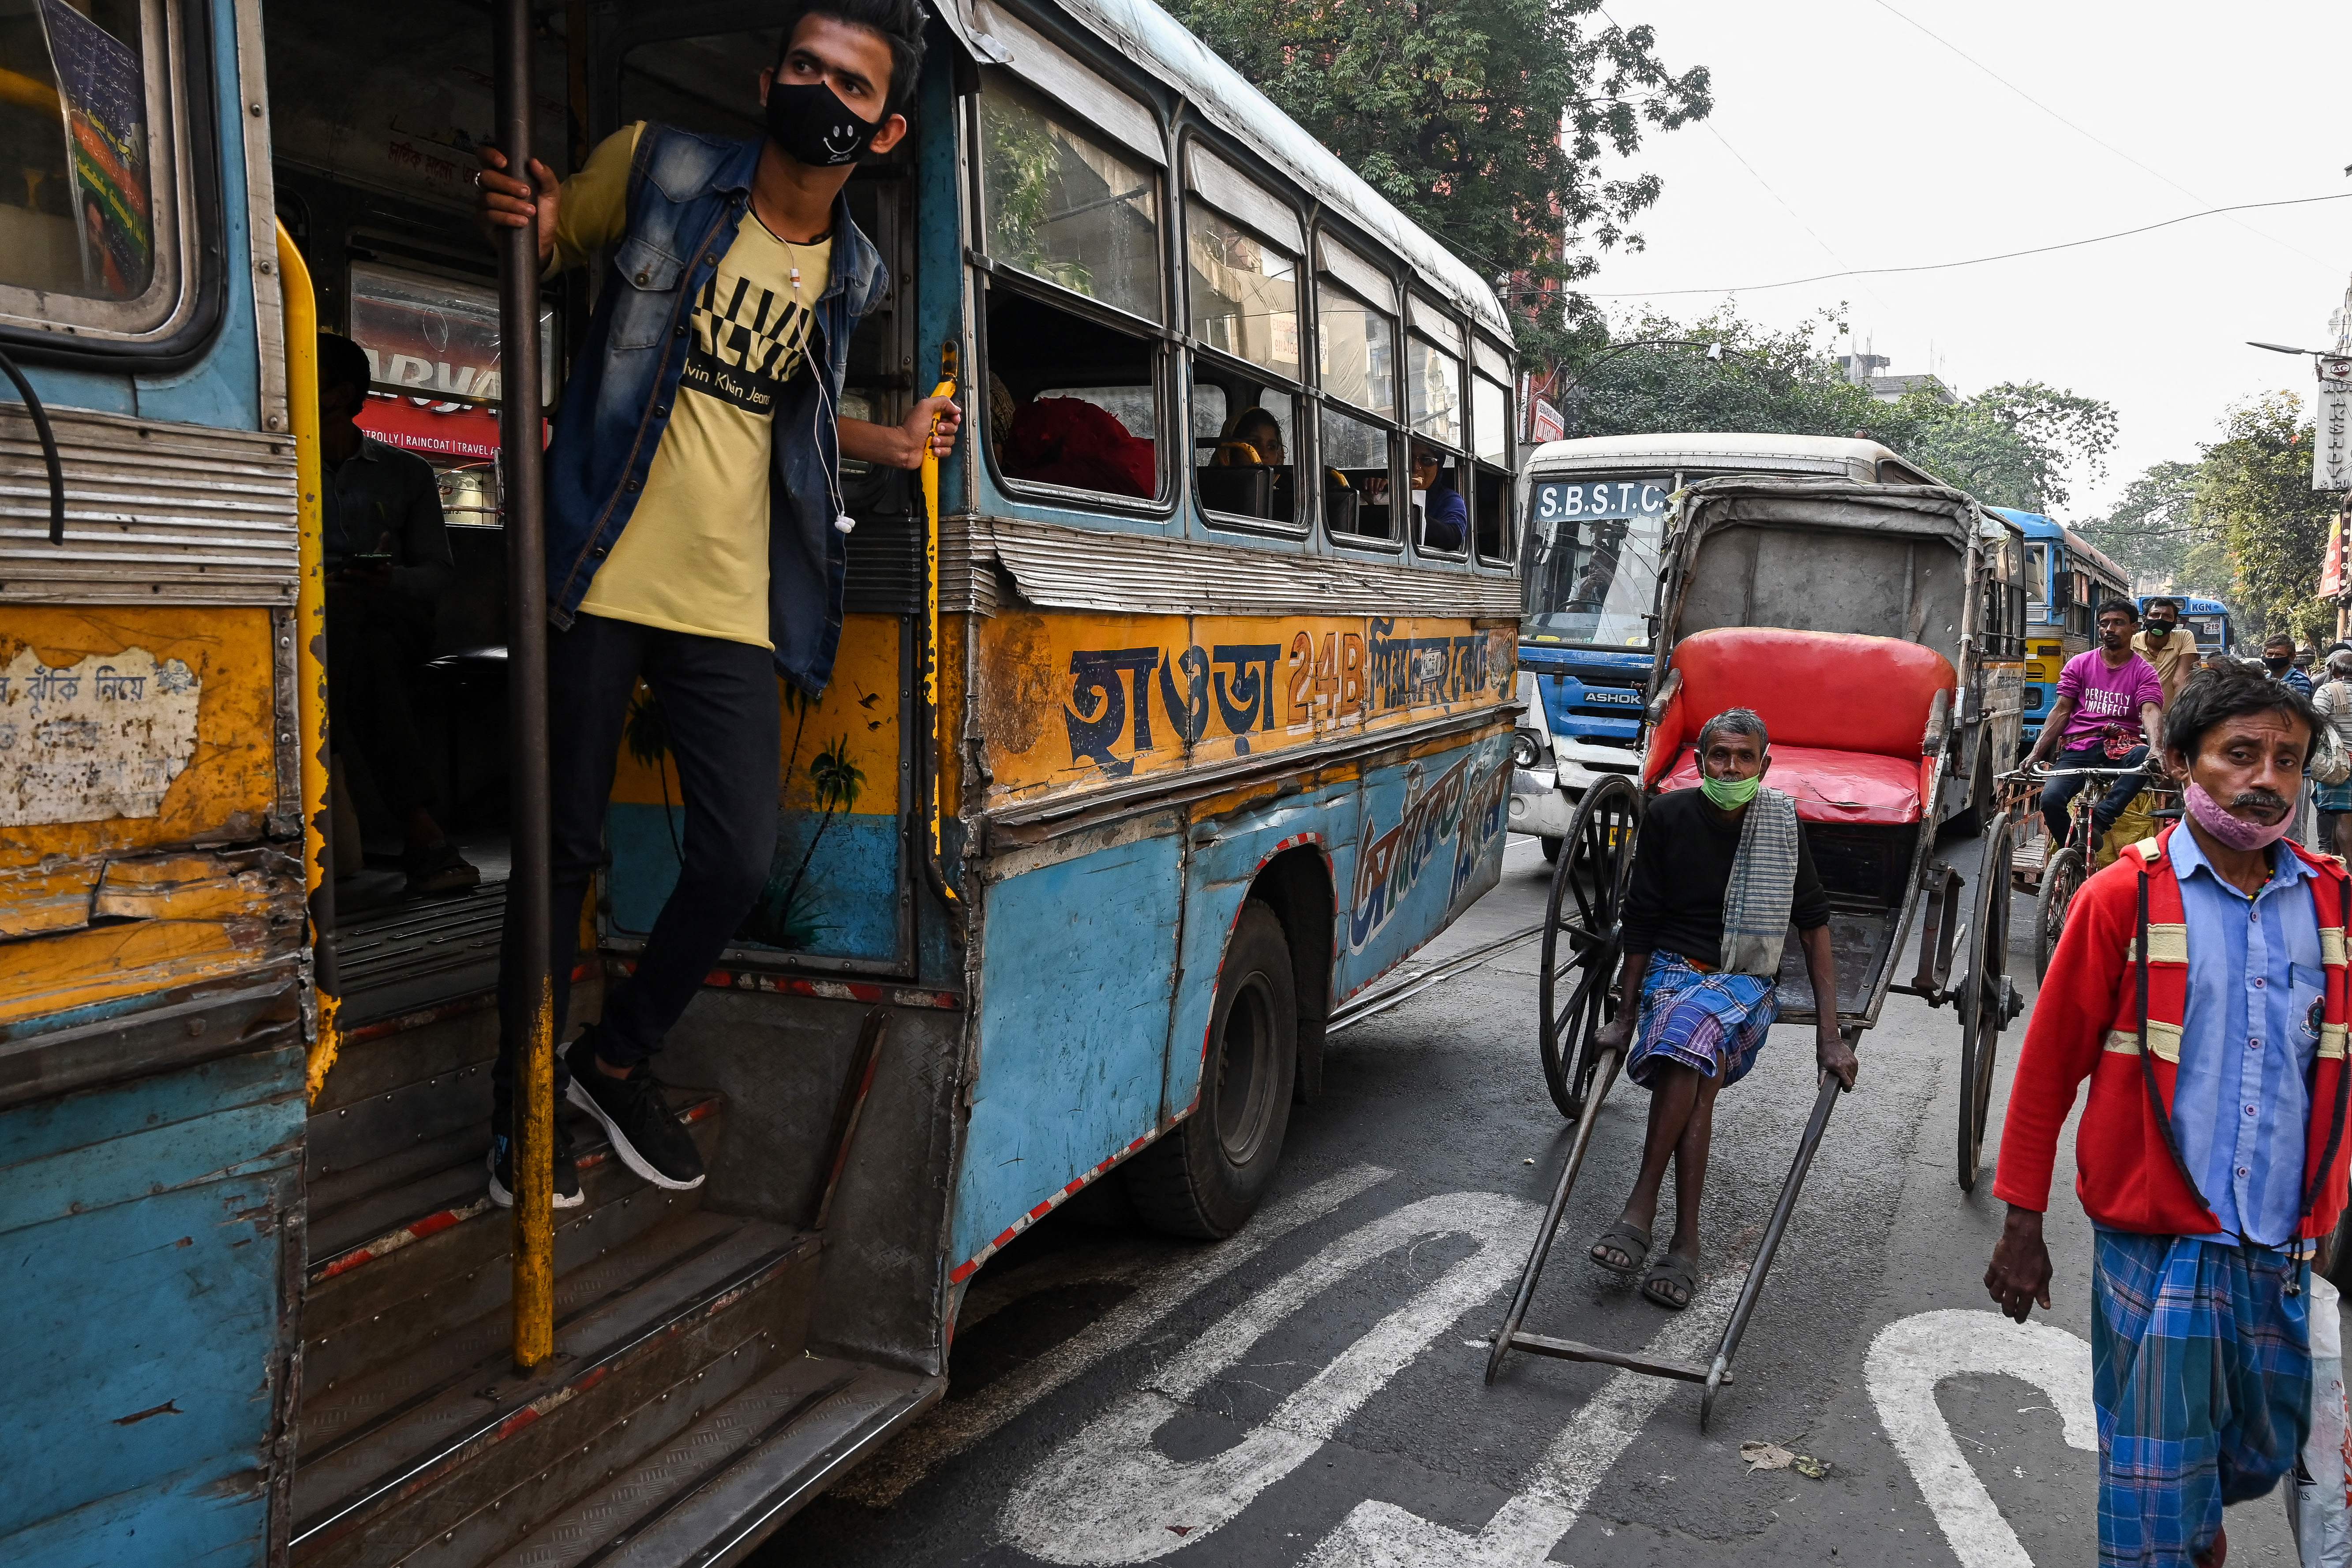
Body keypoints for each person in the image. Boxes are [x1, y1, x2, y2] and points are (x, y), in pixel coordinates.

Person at [474, 0, 962, 1208]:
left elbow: (778, 408)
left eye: (847, 86)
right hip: (600, 563)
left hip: (735, 603)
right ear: (764, 81)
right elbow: (553, 238)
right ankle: (520, 1110)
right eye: (803, 68)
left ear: (883, 132)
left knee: (738, 857)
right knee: (561, 851)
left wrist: (890, 443)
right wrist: (532, 224)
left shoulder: (852, 271)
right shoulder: (661, 166)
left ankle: (613, 1055)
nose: (819, 93)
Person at [1986, 665, 2352, 1568]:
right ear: (2184, 760)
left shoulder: (2332, 905)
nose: (2265, 777)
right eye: (2239, 754)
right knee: (2154, 1489)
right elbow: (2046, 1068)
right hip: (2154, 1244)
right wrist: (2020, 1223)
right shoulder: (2123, 896)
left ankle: (2196, 1525)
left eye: (2285, 759)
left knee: (2253, 1453)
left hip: (2281, 1245)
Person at [1584, 708, 1852, 1311]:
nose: (1731, 766)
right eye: (1720, 755)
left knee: (1694, 1032)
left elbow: (1813, 926)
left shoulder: (1781, 823)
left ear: (1765, 764)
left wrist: (1828, 1035)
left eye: (1744, 756)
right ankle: (1684, 1242)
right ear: (1701, 761)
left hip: (1746, 982)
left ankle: (1641, 1206)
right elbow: (1643, 919)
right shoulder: (1669, 816)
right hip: (1675, 971)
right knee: (1693, 1056)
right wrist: (1626, 1015)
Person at [316, 332, 479, 897]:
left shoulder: (404, 473)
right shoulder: (276, 463)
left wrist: (389, 579)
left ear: (340, 395)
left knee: (367, 638)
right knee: (355, 642)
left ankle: (395, 824)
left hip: (388, 617)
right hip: (305, 617)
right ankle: (421, 833)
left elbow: (437, 573)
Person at [2023, 600, 2167, 850]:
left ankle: (2100, 821)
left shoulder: (2144, 672)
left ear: (2134, 628)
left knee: (2142, 756)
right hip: (2079, 747)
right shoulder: (2079, 664)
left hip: (2122, 745)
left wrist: (2156, 747)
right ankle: (2073, 853)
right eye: (2104, 624)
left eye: (2118, 623)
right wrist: (2036, 753)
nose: (2110, 629)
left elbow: (2150, 709)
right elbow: (2061, 711)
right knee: (2051, 800)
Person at [2313, 649, 2352, 860]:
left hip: (2340, 763)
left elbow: (2315, 721)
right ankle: (2336, 864)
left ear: (2335, 670)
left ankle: (2351, 870)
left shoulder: (2328, 691)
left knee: (2344, 815)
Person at [2133, 596, 2199, 709]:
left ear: (2175, 622)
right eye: (2155, 615)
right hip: (2135, 717)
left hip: (2170, 715)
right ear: (2144, 619)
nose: (2160, 620)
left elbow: (2180, 681)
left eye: (2167, 617)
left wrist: (2181, 714)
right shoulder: (2132, 641)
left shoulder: (2184, 637)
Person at [1410, 442, 1467, 552]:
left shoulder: (1450, 499)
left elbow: (1453, 536)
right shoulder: (1391, 489)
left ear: (1439, 467)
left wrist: (1409, 513)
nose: (1416, 467)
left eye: (1427, 460)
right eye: (1409, 458)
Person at [2266, 634, 2317, 698]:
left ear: (2292, 657)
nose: (2273, 658)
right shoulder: (2265, 678)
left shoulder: (2300, 680)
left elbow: (2300, 706)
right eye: (2270, 654)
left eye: (2279, 655)